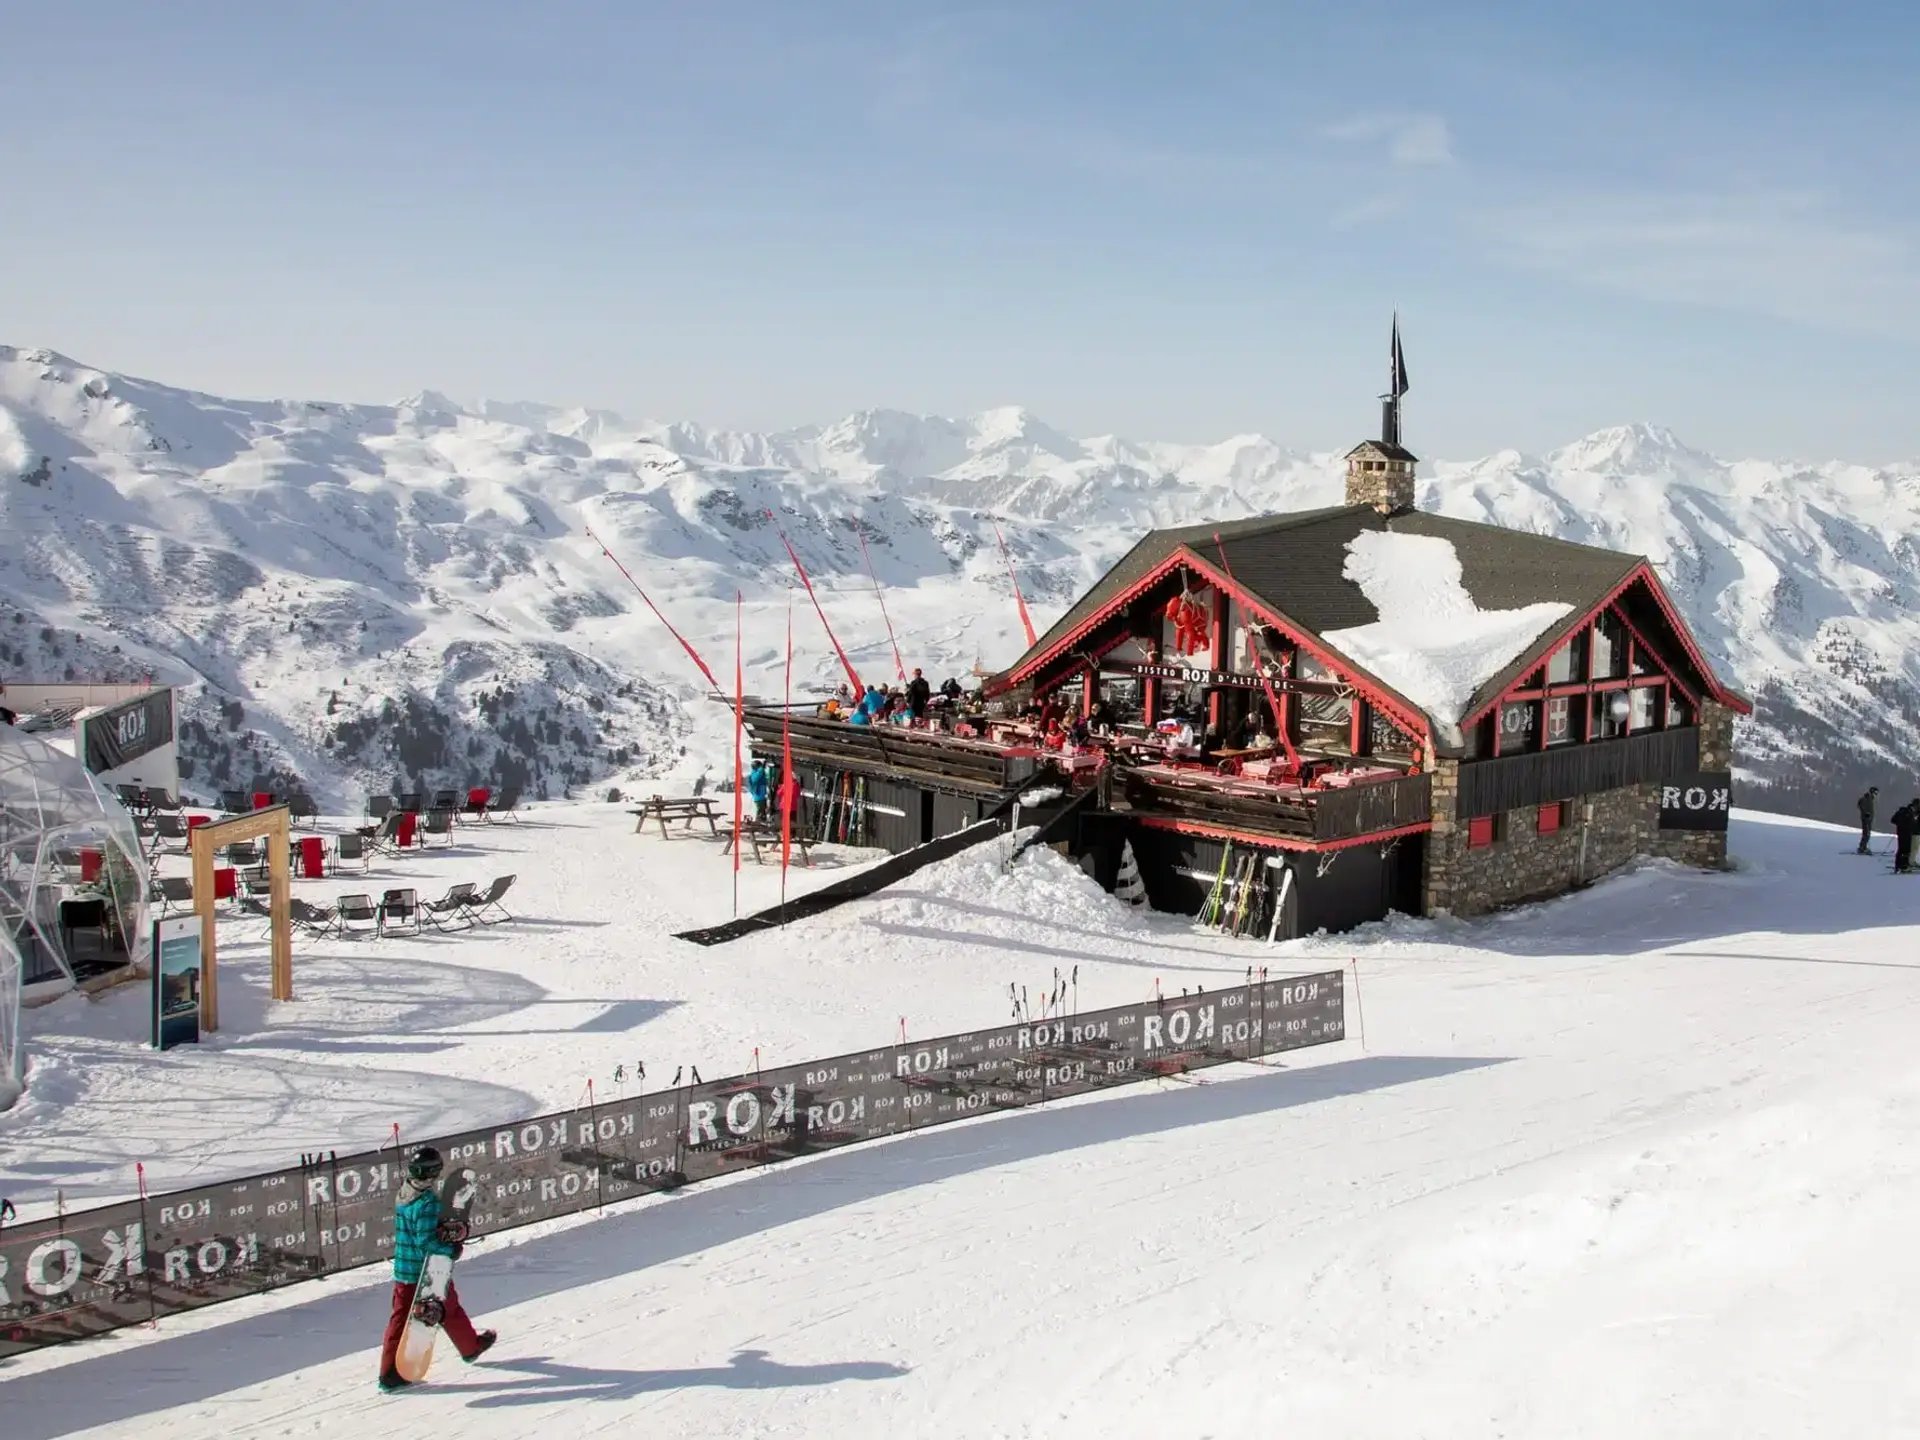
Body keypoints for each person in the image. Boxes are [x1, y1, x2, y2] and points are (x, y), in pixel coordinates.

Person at [379, 1146, 495, 1391]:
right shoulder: (427, 1202)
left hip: (404, 1268)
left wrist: (443, 1228)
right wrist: (450, 1249)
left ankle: (470, 1346)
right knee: (406, 1319)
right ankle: (390, 1374)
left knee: (448, 1306)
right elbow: (426, 1243)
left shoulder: (404, 1193)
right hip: (426, 1272)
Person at [1894, 799, 1917, 875]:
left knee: (1901, 849)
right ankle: (1904, 866)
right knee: (1906, 850)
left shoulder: (1903, 812)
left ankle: (1898, 866)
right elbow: (1910, 824)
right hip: (1906, 833)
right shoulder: (1908, 813)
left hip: (1902, 833)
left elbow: (1893, 820)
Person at [747, 759, 771, 824]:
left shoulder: (758, 772)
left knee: (763, 810)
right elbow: (756, 779)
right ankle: (759, 824)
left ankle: (762, 824)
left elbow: (764, 779)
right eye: (759, 766)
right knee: (760, 810)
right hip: (758, 795)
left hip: (761, 795)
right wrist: (761, 769)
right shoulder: (754, 774)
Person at [1857, 786, 1878, 855]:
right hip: (1865, 819)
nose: (1876, 795)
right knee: (1866, 834)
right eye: (1875, 793)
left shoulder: (1870, 799)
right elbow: (1860, 804)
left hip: (1868, 819)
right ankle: (1862, 848)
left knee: (1867, 833)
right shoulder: (1867, 798)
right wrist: (1866, 813)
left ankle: (1863, 847)